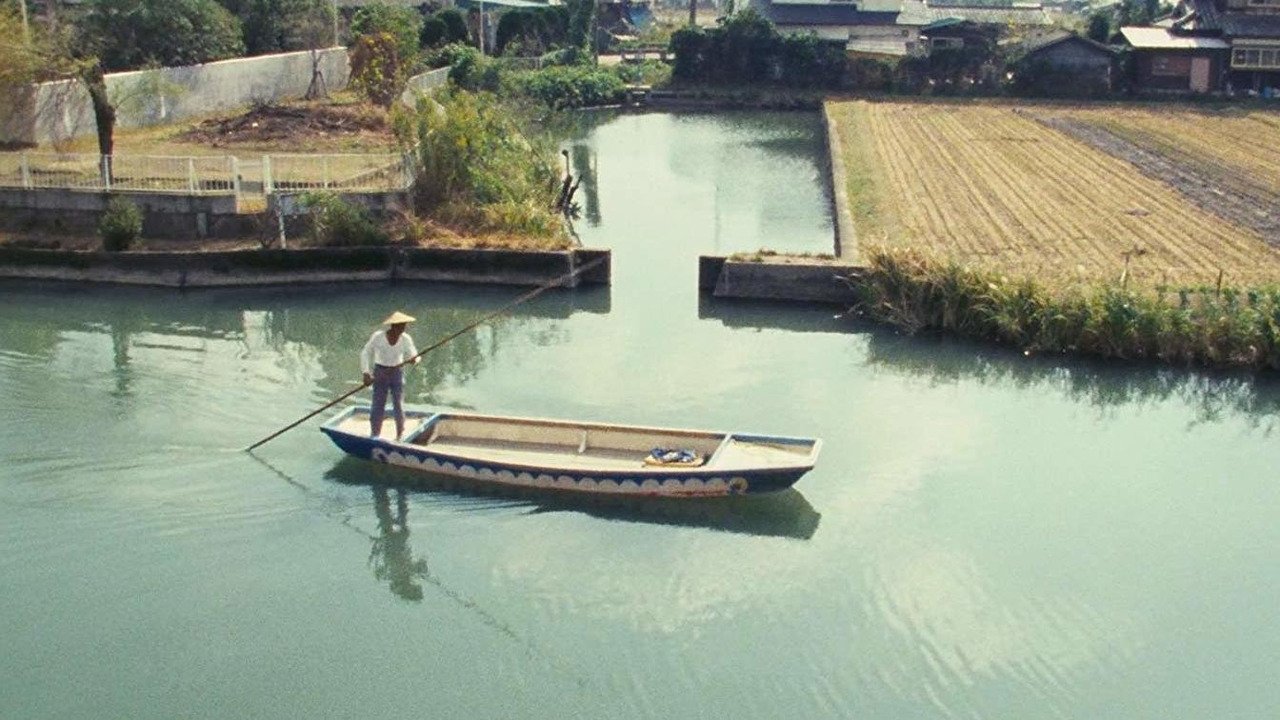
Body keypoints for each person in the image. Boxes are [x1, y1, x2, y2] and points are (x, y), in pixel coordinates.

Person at [360, 311, 420, 439]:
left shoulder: (405, 338)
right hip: (380, 371)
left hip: (397, 372)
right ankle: (375, 433)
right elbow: (365, 352)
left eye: (404, 326)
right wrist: (366, 373)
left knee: (398, 403)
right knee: (378, 403)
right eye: (401, 326)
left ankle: (400, 433)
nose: (403, 328)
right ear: (393, 326)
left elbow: (415, 355)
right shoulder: (378, 337)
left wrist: (414, 360)